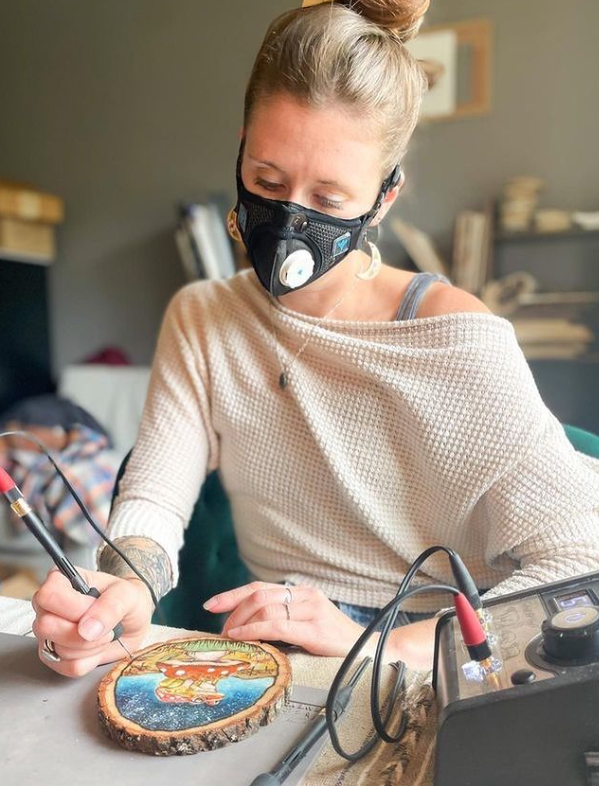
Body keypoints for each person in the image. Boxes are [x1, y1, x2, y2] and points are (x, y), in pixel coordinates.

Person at [32, 0, 599, 678]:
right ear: (241, 147)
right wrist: (122, 591)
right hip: (283, 644)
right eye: (266, 180)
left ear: (384, 198)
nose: (288, 221)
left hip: (439, 652)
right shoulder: (204, 316)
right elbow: (154, 494)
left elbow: (581, 568)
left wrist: (377, 645)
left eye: (329, 200)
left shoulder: (452, 338)